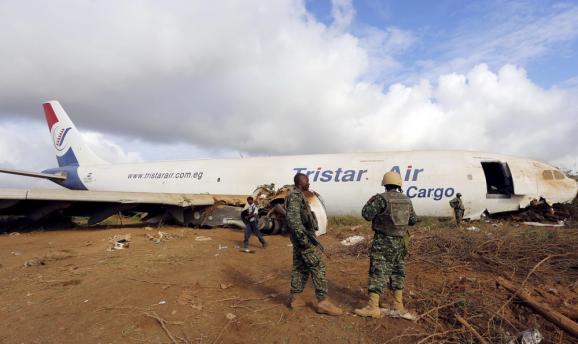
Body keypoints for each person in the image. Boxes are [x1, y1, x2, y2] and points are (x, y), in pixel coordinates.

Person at [354, 171, 417, 320]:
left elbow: (366, 214)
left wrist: (370, 202)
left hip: (383, 242)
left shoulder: (380, 199)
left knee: (378, 271)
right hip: (400, 243)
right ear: (399, 185)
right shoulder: (407, 200)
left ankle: (373, 307)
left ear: (385, 184)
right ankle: (398, 305)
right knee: (397, 271)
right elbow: (413, 220)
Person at [284, 173, 343, 316]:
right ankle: (323, 302)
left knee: (300, 268)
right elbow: (293, 220)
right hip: (304, 240)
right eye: (307, 181)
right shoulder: (295, 196)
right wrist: (304, 241)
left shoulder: (299, 196)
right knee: (318, 266)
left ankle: (296, 299)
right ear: (300, 182)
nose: (309, 183)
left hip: (302, 239)